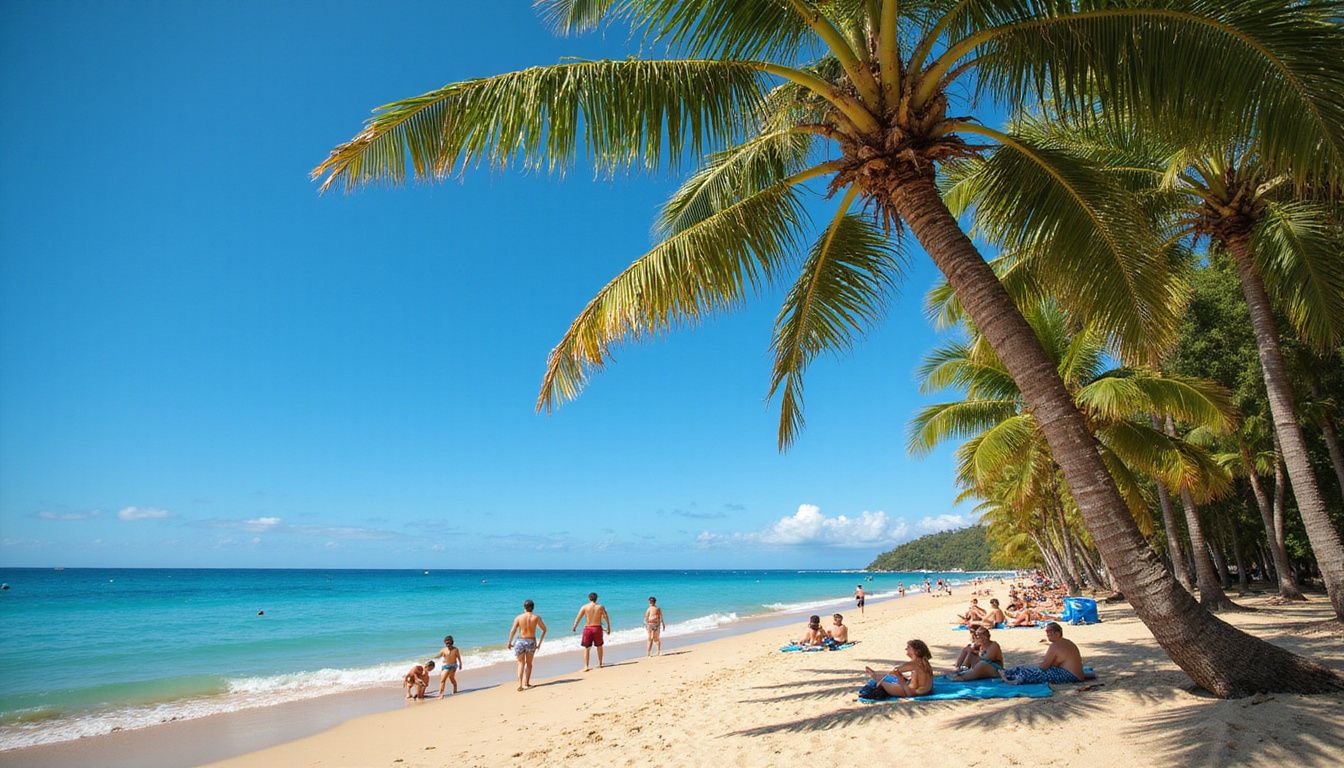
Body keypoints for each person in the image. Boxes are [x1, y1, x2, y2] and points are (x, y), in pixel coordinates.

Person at [1000, 622, 1090, 685]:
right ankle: (1008, 673)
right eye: (1047, 632)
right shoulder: (1067, 642)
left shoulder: (1055, 645)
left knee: (1031, 672)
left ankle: (1009, 676)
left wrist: (1034, 667)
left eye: (1049, 632)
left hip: (1071, 676)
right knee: (1030, 668)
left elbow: (1044, 667)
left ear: (1057, 633)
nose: (1047, 634)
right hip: (1076, 675)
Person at [863, 639, 934, 698]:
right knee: (901, 677)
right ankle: (875, 675)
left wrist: (898, 675)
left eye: (908, 647)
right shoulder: (925, 662)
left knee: (881, 682)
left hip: (913, 693)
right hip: (927, 691)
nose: (906, 649)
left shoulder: (913, 664)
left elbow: (894, 671)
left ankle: (873, 675)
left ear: (916, 651)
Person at [507, 599, 547, 691]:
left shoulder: (518, 617)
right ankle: (527, 683)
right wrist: (539, 643)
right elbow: (544, 629)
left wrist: (509, 642)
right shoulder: (536, 617)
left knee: (521, 663)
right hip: (531, 642)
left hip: (520, 641)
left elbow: (512, 630)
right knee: (529, 664)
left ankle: (520, 684)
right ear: (533, 607)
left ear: (524, 607)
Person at [571, 592, 611, 671]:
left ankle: (586, 666)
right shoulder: (600, 607)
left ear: (589, 598)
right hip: (597, 628)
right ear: (597, 598)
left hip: (588, 629)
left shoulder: (585, 607)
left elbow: (578, 617)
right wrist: (608, 627)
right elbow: (606, 617)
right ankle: (600, 664)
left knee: (587, 648)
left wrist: (574, 626)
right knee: (599, 646)